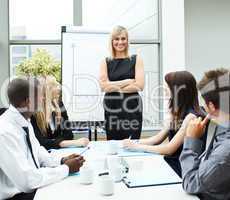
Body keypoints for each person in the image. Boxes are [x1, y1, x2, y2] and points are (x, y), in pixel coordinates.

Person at [0, 78, 85, 200]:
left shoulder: (24, 120)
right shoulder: (5, 132)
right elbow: (28, 181)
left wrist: (62, 160)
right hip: (17, 196)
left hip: (30, 189)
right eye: (40, 97)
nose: (43, 99)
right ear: (28, 102)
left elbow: (38, 152)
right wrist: (66, 168)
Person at [123, 71, 207, 177]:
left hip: (181, 169)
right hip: (171, 164)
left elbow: (169, 149)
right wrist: (133, 142)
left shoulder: (192, 117)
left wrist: (136, 147)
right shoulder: (177, 112)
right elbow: (157, 138)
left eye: (167, 86)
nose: (165, 90)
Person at [180, 68, 230, 200]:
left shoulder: (225, 149)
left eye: (204, 103)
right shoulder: (222, 127)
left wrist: (191, 140)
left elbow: (191, 183)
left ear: (212, 106)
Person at [99, 25, 144, 140]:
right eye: (117, 39)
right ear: (112, 41)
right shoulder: (105, 61)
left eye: (123, 38)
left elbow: (139, 85)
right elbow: (104, 87)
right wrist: (127, 81)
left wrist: (112, 86)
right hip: (112, 106)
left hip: (132, 107)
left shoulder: (136, 59)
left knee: (132, 143)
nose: (120, 42)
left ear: (127, 40)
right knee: (113, 143)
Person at [30, 76, 89, 150]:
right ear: (46, 91)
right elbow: (40, 142)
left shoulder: (59, 105)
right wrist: (68, 143)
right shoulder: (34, 113)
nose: (59, 88)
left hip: (58, 151)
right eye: (54, 85)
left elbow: (69, 134)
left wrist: (53, 142)